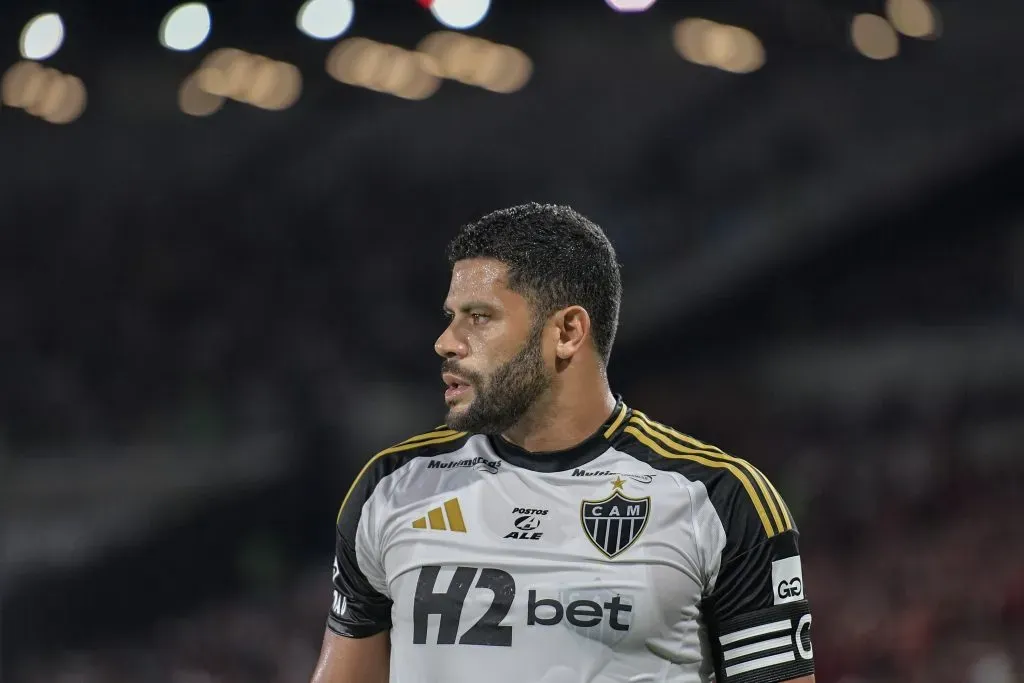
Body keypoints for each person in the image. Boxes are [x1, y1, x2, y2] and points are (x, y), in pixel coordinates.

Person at [309, 203, 814, 683]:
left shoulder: (718, 499)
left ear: (568, 331)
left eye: (479, 317)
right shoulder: (393, 487)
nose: (446, 341)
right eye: (451, 314)